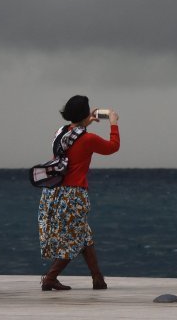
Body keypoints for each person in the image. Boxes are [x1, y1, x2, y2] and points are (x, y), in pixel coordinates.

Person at [38, 94, 120, 291]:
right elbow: (112, 147)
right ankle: (50, 277)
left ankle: (98, 279)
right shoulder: (88, 138)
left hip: (53, 192)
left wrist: (85, 123)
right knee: (73, 240)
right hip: (73, 195)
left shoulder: (61, 132)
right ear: (85, 114)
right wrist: (114, 123)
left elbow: (75, 138)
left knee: (84, 235)